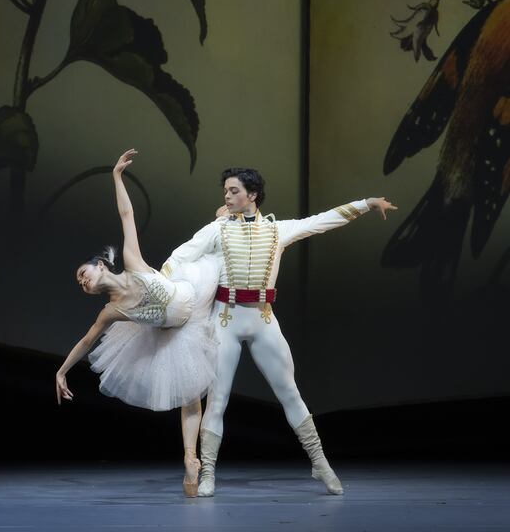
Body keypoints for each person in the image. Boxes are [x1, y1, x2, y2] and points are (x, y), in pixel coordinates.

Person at [161, 168, 397, 497]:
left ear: (252, 195)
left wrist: (366, 204)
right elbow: (179, 256)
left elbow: (322, 220)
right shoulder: (217, 230)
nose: (226, 197)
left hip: (262, 319)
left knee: (290, 393)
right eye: (225, 191)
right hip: (225, 321)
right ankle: (209, 473)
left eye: (233, 191)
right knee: (217, 400)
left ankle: (320, 463)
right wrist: (161, 288)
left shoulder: (276, 230)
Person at [55, 149, 220, 497]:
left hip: (193, 291)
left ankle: (225, 221)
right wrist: (61, 370)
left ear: (101, 265)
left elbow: (126, 213)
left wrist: (116, 176)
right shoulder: (111, 312)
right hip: (176, 330)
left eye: (83, 274)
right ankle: (191, 459)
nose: (82, 282)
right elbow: (87, 342)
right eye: (79, 284)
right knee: (190, 394)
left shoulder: (130, 261)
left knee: (211, 251)